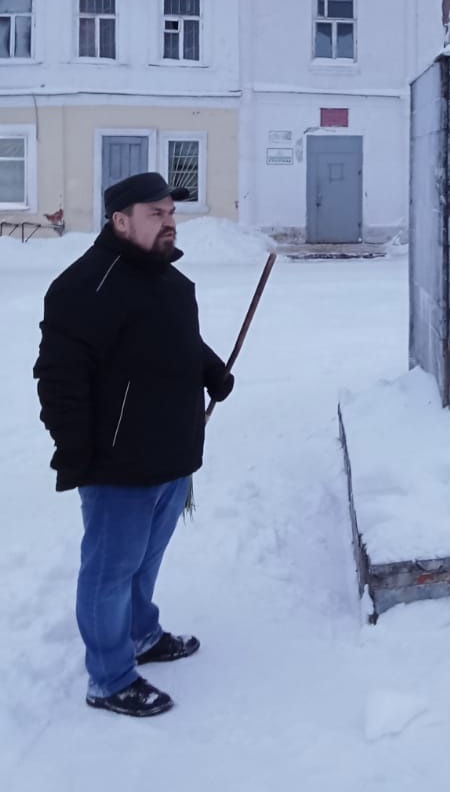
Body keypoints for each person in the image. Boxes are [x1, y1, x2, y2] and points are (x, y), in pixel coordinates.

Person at [34, 172, 235, 717]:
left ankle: (142, 634)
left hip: (171, 453)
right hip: (117, 463)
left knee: (145, 560)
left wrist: (211, 370)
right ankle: (109, 677)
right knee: (109, 570)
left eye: (171, 212)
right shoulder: (85, 287)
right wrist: (76, 452)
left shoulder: (168, 281)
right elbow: (58, 379)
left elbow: (179, 341)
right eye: (156, 214)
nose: (170, 222)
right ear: (120, 220)